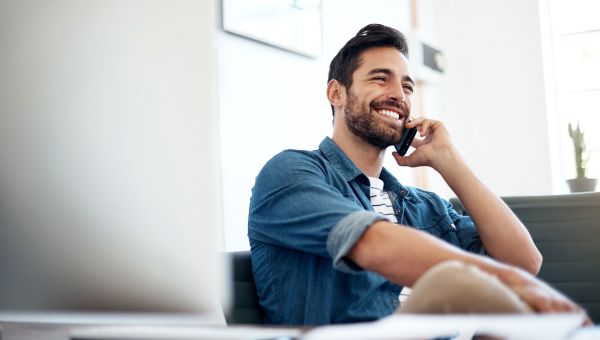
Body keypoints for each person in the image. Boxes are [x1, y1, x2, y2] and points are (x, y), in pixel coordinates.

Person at [248, 23, 586, 325]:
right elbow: (373, 244)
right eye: (380, 78)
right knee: (457, 281)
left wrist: (449, 160)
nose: (399, 95)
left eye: (408, 87)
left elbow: (524, 261)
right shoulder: (291, 173)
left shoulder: (425, 207)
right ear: (336, 92)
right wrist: (508, 284)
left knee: (499, 306)